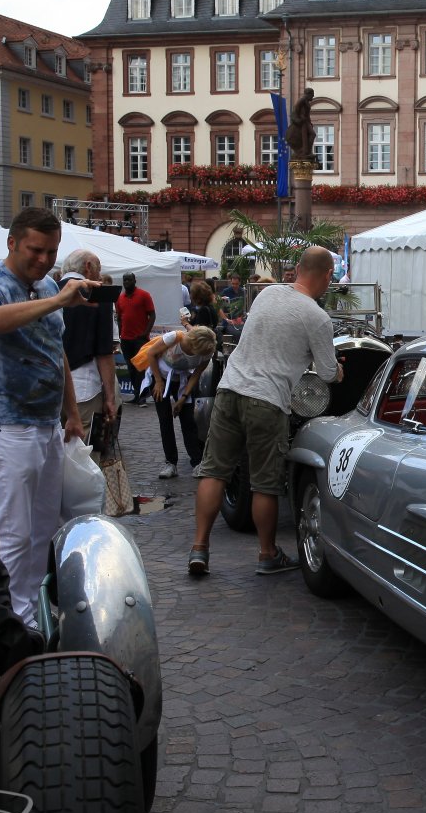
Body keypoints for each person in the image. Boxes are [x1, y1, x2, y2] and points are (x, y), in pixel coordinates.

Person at [0, 208, 96, 636]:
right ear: (12, 243)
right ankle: (8, 622)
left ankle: (29, 613)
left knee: (43, 530)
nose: (43, 259)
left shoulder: (47, 285)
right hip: (5, 427)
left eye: (51, 252)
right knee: (12, 532)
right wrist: (56, 301)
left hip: (46, 425)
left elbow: (56, 351)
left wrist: (72, 413)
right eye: (35, 250)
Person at [188, 245, 342, 577]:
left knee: (214, 471)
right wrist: (339, 371)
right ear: (329, 275)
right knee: (265, 484)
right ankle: (267, 553)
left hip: (230, 388)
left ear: (297, 269)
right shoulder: (318, 317)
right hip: (267, 401)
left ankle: (199, 548)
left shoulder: (267, 294)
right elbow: (328, 373)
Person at [58, 249, 118, 435]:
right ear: (88, 266)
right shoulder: (98, 294)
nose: (100, 275)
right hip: (83, 387)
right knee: (83, 448)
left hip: (48, 388)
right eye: (99, 269)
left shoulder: (47, 291)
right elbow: (104, 351)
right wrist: (110, 398)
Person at [146, 325, 217, 479]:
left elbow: (196, 374)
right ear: (193, 344)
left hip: (183, 380)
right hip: (160, 375)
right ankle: (170, 462)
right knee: (165, 419)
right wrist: (158, 381)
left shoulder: (207, 352)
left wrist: (183, 397)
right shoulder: (175, 338)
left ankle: (197, 462)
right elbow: (150, 353)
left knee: (188, 421)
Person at [114, 273, 155, 405]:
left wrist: (145, 333)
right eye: (124, 280)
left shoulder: (144, 295)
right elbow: (119, 317)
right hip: (126, 339)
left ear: (135, 281)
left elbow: (152, 315)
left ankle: (142, 396)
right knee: (131, 368)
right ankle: (137, 394)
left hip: (140, 339)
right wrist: (120, 333)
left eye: (129, 280)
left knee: (140, 368)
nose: (126, 282)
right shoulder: (120, 298)